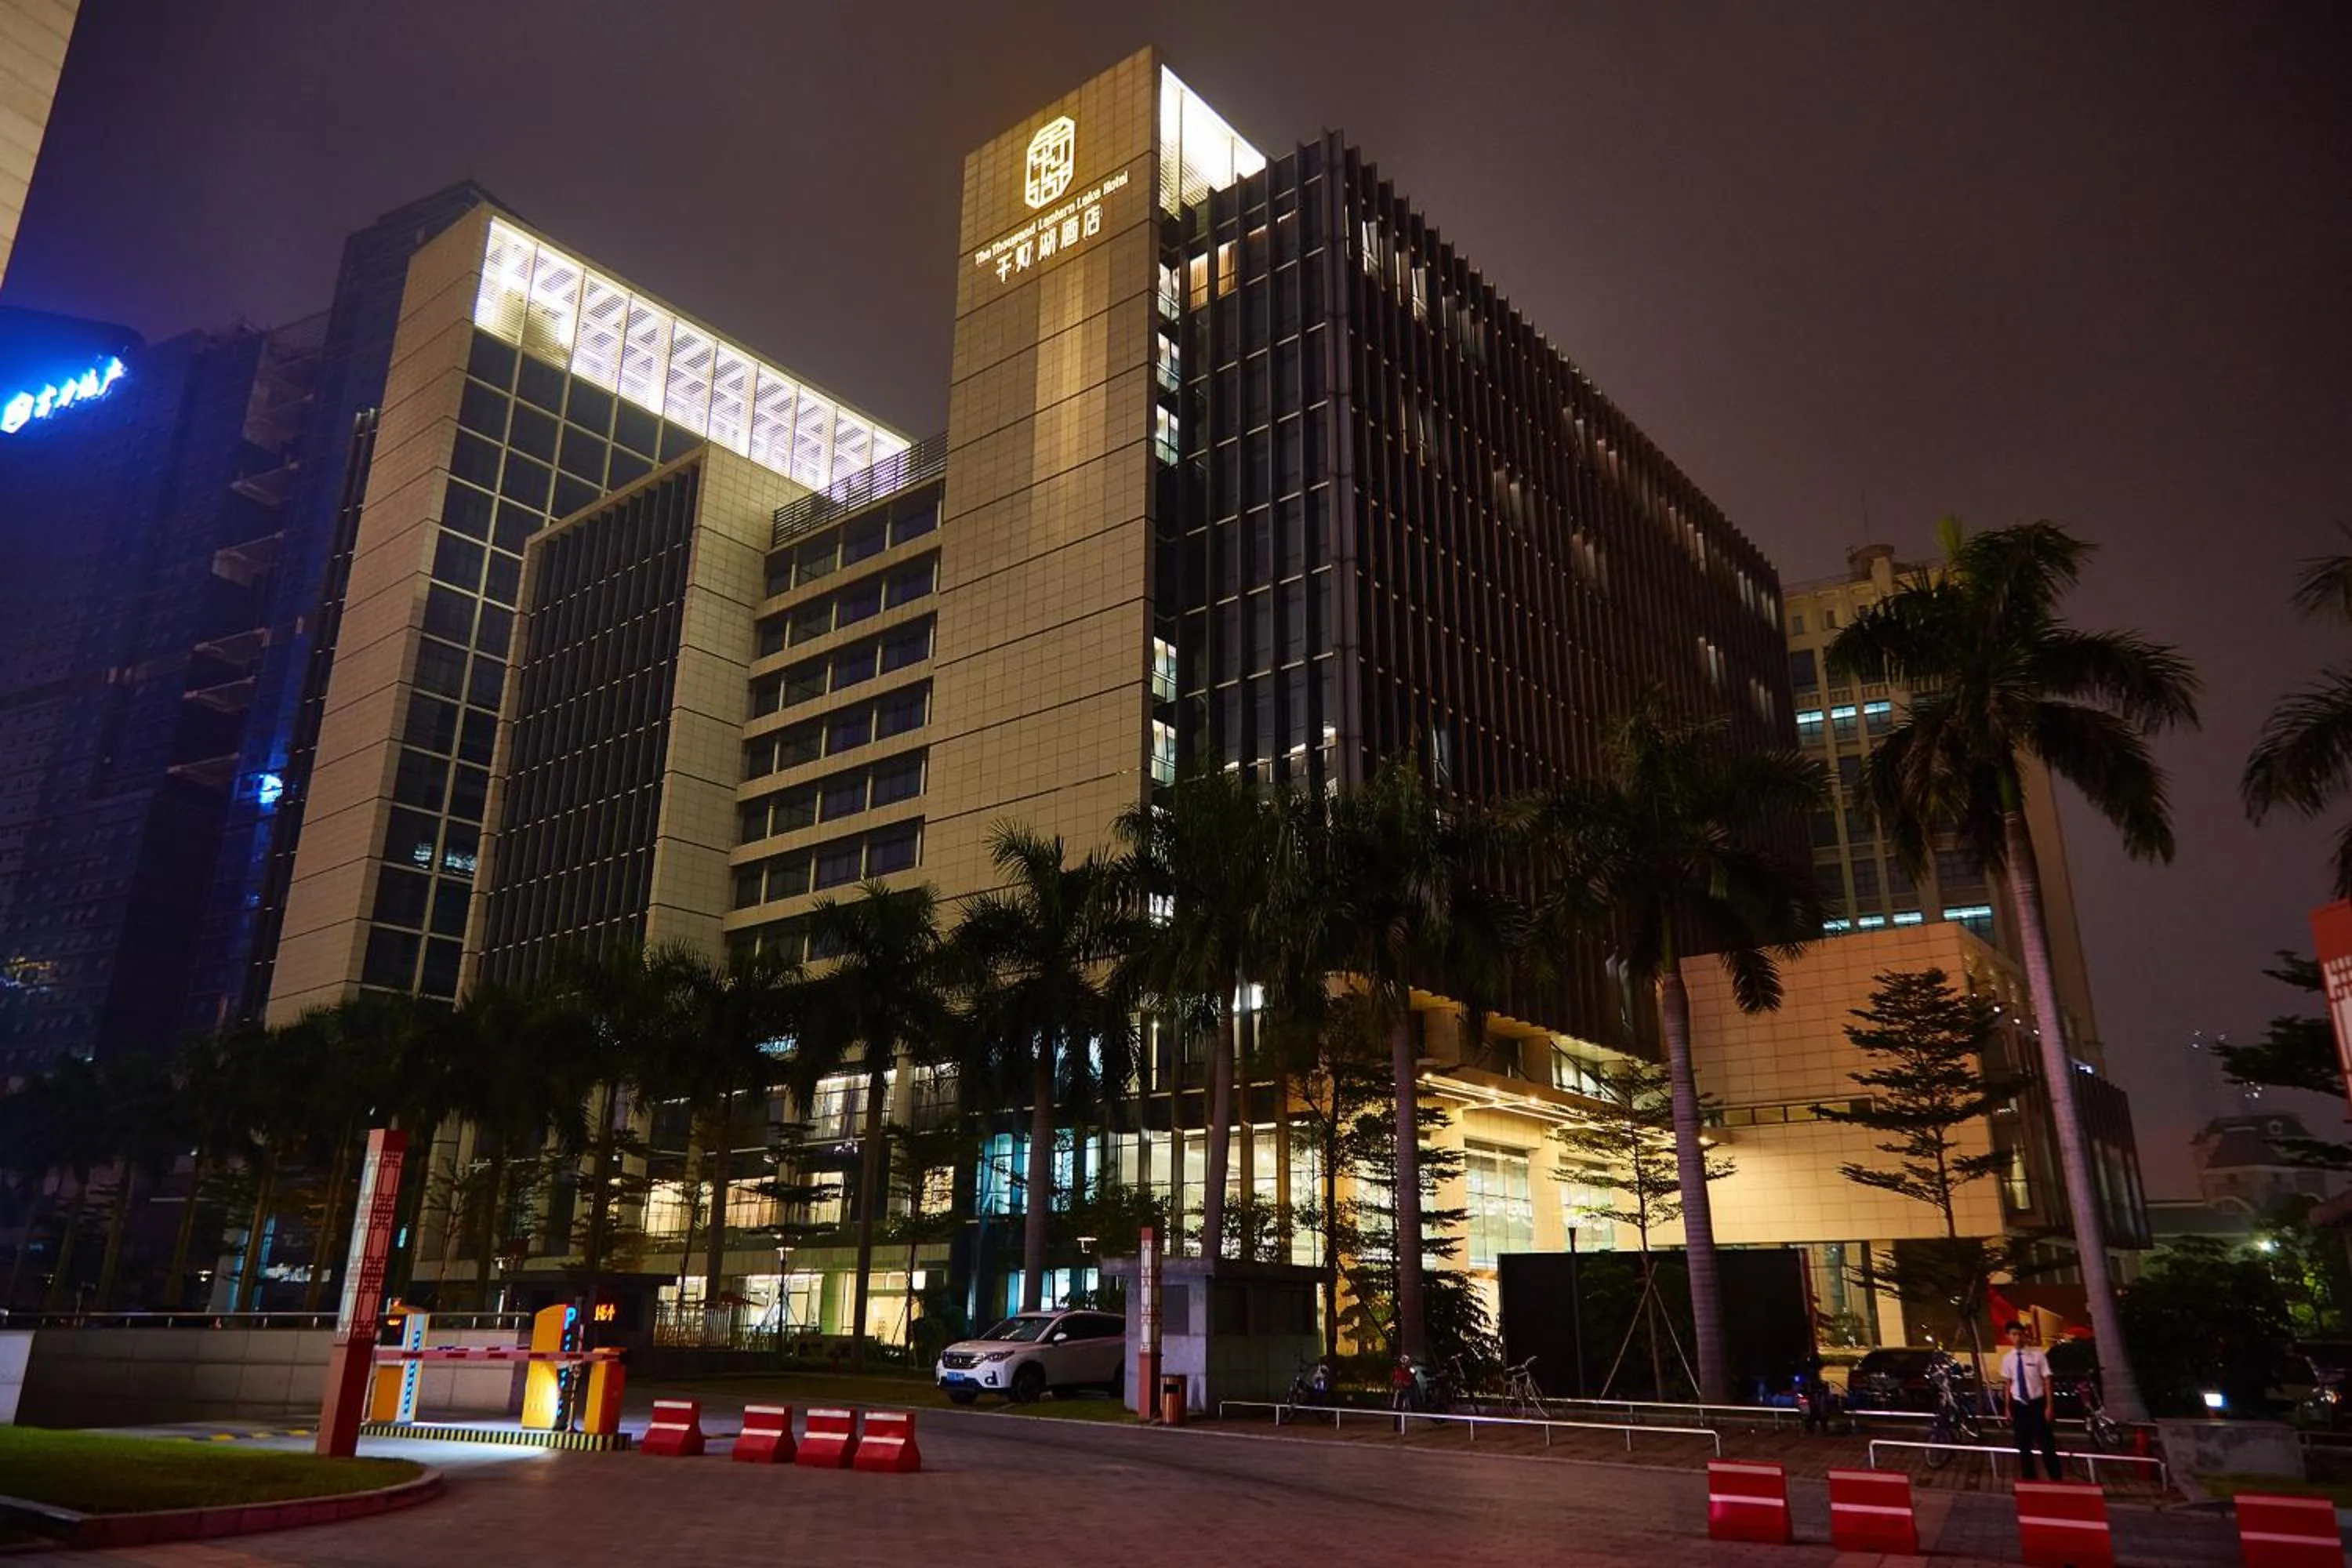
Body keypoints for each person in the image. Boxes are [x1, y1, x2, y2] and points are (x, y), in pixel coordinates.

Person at [1998, 1319, 2062, 1480]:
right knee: (2023, 1446)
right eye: (2014, 1335)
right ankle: (2029, 1481)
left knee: (2047, 1445)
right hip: (2019, 1406)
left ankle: (2056, 1480)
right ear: (2008, 1337)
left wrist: (2049, 1406)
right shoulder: (2007, 1359)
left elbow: (2047, 1380)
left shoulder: (2037, 1355)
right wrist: (2007, 1407)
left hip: (2037, 1404)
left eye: (2020, 1334)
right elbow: (2008, 1383)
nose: (2018, 1338)